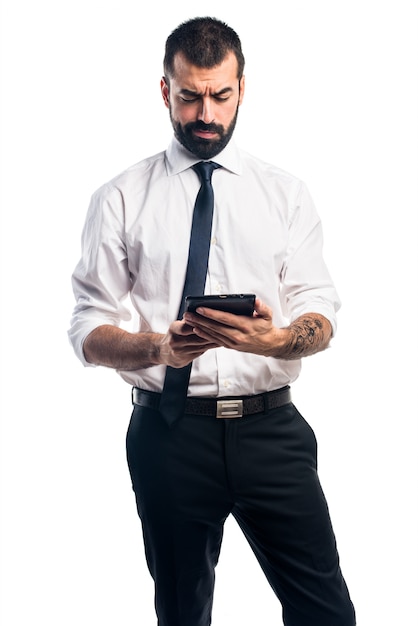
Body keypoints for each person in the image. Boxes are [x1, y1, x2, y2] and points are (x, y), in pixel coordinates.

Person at [68, 16, 356, 626]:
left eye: (220, 96)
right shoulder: (120, 197)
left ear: (241, 91)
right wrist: (157, 347)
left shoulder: (286, 194)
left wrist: (279, 338)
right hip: (169, 435)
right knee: (181, 613)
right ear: (165, 90)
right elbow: (88, 330)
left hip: (272, 431)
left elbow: (321, 311)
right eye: (191, 95)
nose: (206, 113)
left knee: (326, 611)